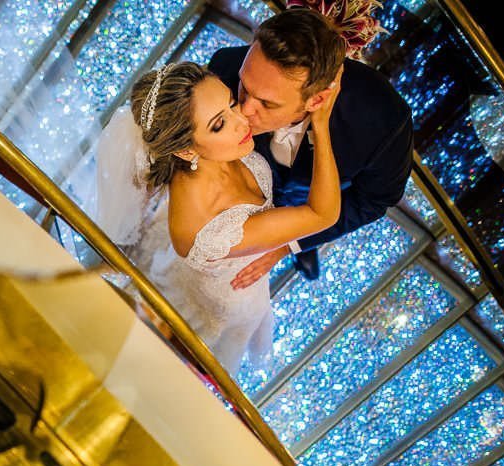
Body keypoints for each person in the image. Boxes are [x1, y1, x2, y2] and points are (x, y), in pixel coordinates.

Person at [95, 60, 341, 373]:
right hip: (217, 309)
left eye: (232, 103)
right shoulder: (208, 229)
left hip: (239, 282)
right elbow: (322, 214)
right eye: (218, 124)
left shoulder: (215, 149)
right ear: (185, 151)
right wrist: (321, 124)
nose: (242, 120)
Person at [207, 3, 413, 287]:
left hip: (309, 197)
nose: (244, 109)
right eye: (244, 87)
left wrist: (289, 243)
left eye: (266, 103)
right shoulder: (225, 67)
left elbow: (373, 201)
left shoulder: (384, 125)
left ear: (317, 100)